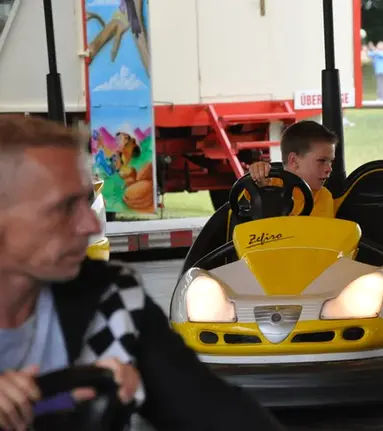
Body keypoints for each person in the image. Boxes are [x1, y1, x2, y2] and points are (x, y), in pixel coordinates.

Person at [0, 115, 285, 430]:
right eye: (64, 208)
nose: (91, 225)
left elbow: (213, 408)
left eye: (86, 202)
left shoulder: (109, 296)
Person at [247, 120, 337, 218]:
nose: (329, 169)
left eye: (330, 161)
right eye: (321, 160)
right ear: (294, 160)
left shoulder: (323, 197)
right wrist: (256, 176)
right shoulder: (266, 184)